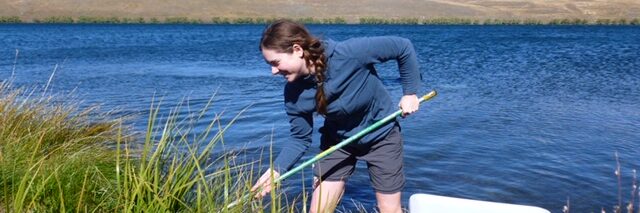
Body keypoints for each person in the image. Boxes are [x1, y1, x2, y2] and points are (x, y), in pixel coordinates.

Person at [251, 19, 422, 213]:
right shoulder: (293, 93)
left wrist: (410, 92)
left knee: (388, 209)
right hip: (338, 143)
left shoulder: (349, 53)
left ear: (297, 49)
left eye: (275, 63)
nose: (273, 71)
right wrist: (276, 171)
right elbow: (300, 138)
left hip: (381, 136)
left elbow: (402, 47)